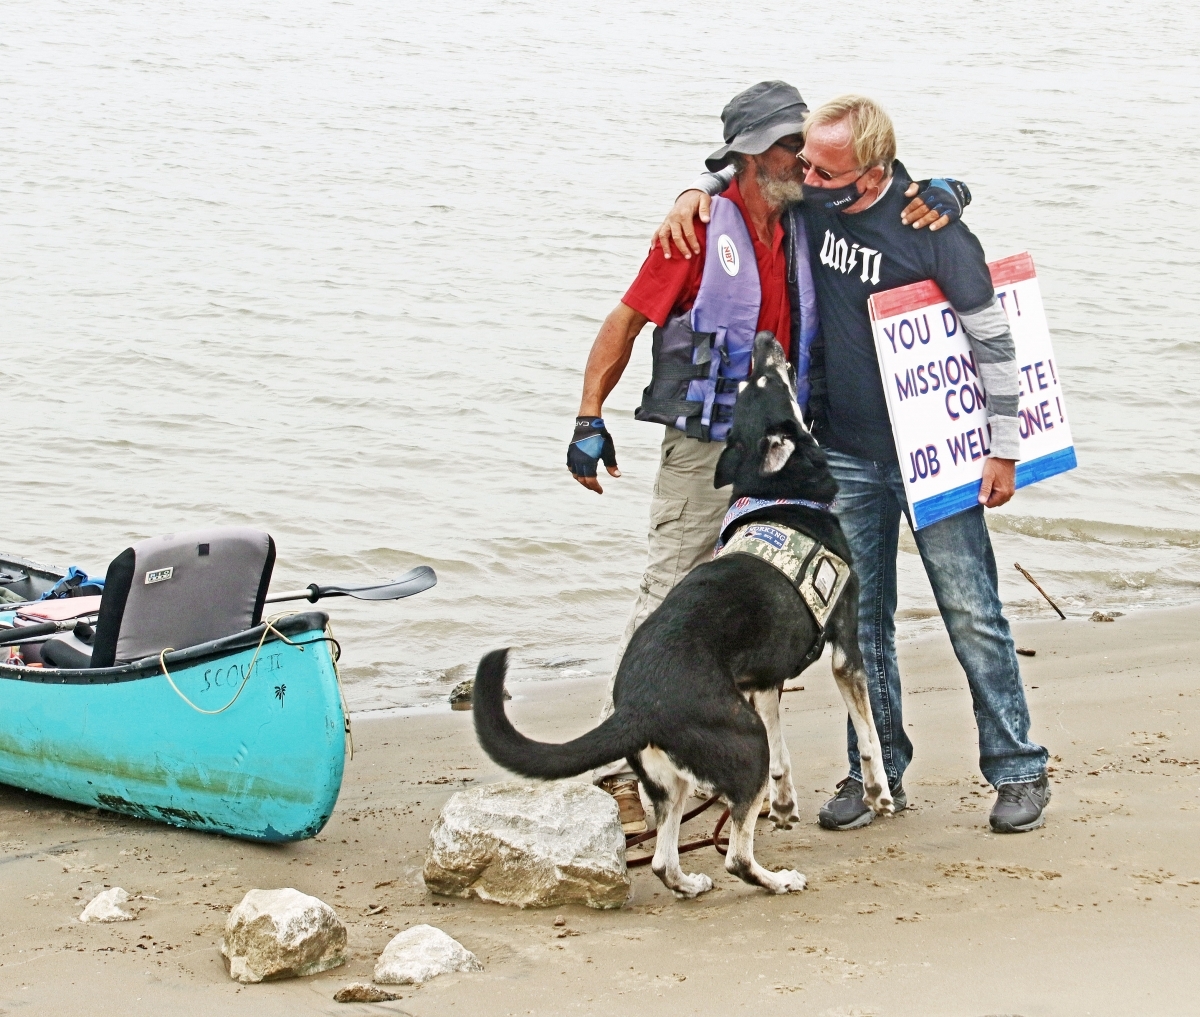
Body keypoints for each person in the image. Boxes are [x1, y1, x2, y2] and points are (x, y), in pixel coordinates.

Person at [567, 82, 962, 834]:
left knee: (758, 601)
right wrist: (590, 416)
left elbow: (879, 185)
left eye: (807, 149)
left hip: (785, 450)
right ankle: (621, 768)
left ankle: (717, 756)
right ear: (751, 157)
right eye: (789, 148)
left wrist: (948, 191)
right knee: (670, 591)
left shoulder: (805, 211)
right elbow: (624, 322)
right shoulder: (695, 230)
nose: (804, 162)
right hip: (706, 447)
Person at [661, 95, 1050, 834]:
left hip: (937, 459)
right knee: (860, 623)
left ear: (870, 174)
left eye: (822, 170)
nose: (805, 177)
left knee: (972, 613)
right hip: (844, 452)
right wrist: (695, 190)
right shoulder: (814, 201)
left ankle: (1018, 769)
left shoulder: (932, 229)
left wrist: (1005, 447)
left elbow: (993, 338)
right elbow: (747, 179)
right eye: (805, 163)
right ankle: (876, 771)